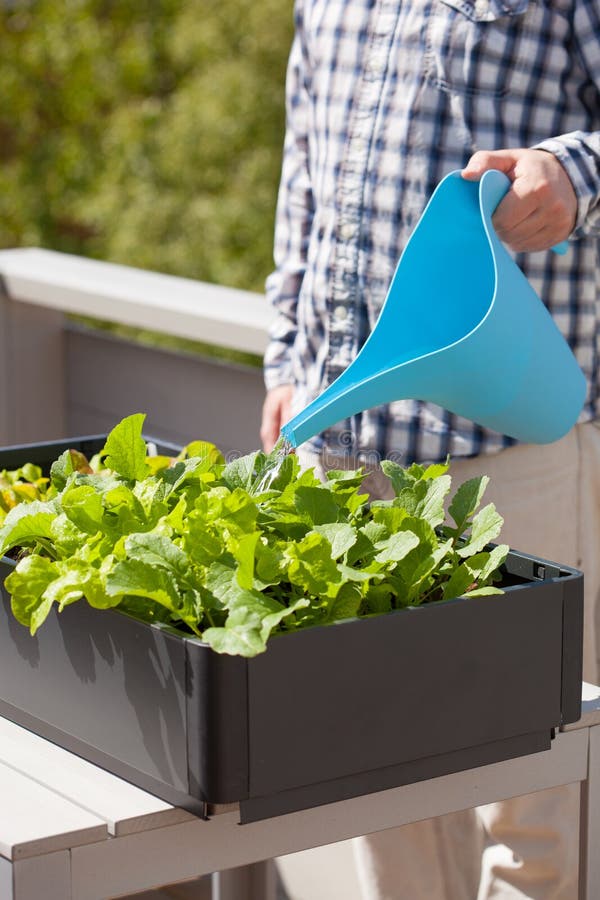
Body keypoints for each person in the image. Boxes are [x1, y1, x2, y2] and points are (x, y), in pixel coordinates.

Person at [260, 1, 600, 897]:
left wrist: (576, 172)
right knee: (384, 791)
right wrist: (287, 355)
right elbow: (306, 169)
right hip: (337, 460)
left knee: (538, 808)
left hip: (509, 450)